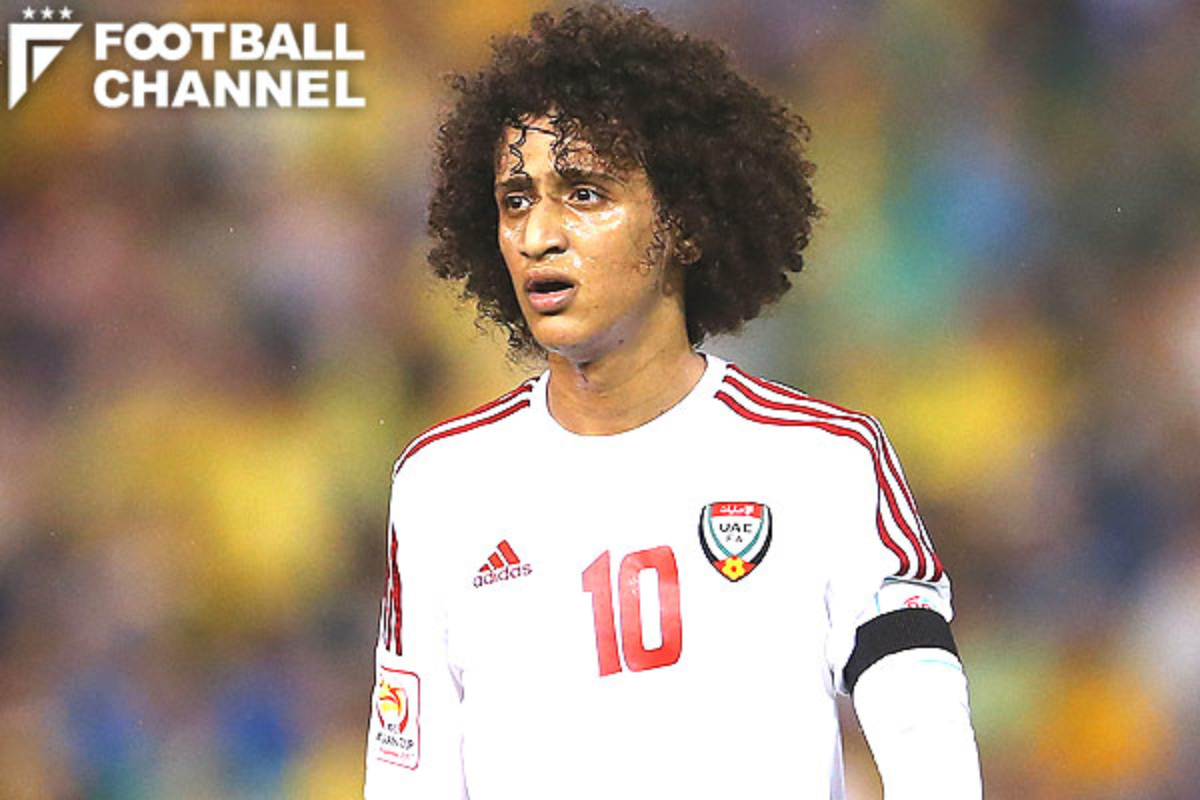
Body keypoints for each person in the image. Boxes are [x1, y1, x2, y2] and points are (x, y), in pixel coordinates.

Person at [364, 4, 982, 798]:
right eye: (516, 200)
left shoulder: (822, 460)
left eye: (585, 193)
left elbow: (928, 740)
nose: (538, 235)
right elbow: (408, 776)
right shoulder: (443, 483)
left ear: (684, 224)